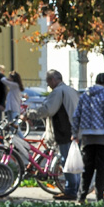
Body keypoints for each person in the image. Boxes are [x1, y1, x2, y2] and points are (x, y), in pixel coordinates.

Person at [24, 70, 80, 200]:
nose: (48, 84)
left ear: (53, 80)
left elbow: (48, 109)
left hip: (65, 131)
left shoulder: (58, 92)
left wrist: (29, 114)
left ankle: (71, 191)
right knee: (72, 161)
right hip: (75, 129)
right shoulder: (70, 90)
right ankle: (74, 189)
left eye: (48, 81)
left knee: (67, 162)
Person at [71, 73, 104, 203]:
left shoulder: (85, 95)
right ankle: (99, 197)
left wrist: (75, 133)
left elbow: (76, 115)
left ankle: (81, 196)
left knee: (87, 169)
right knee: (102, 169)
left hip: (87, 137)